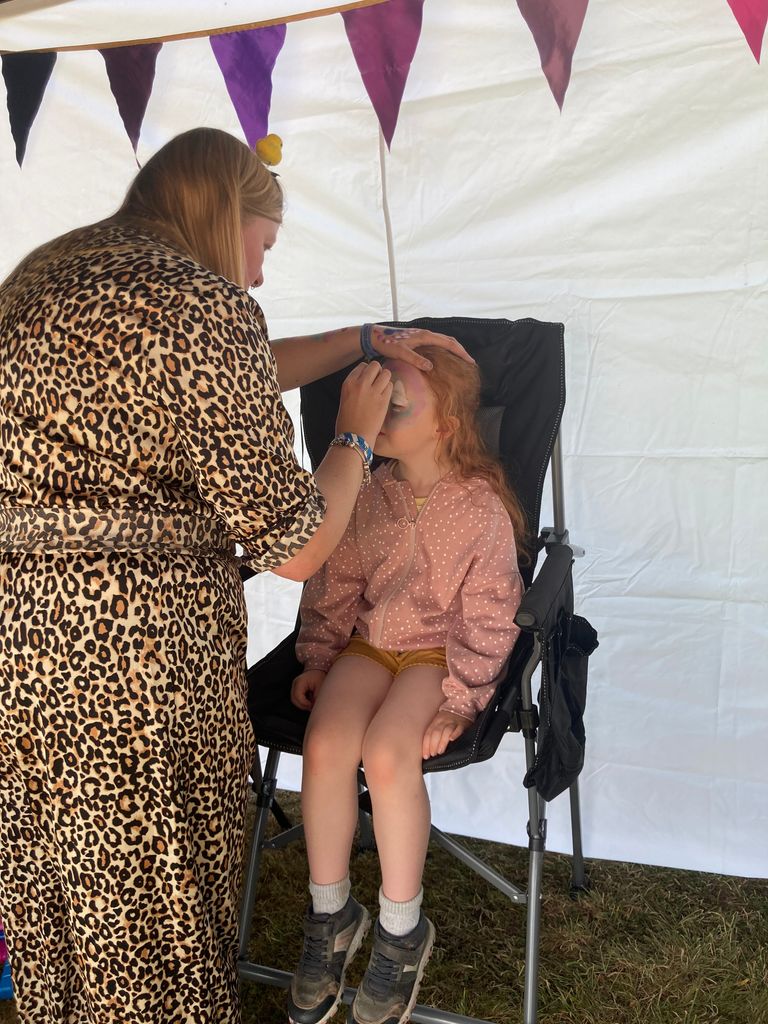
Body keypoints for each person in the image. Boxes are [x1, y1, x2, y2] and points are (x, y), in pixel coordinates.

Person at [0, 126, 470, 1024]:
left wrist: (354, 341)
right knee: (153, 885)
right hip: (133, 653)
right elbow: (300, 544)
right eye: (263, 245)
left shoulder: (47, 273)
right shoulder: (200, 299)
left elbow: (211, 379)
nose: (256, 274)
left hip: (19, 634)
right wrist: (351, 436)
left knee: (58, 872)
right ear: (225, 215)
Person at [287, 346, 527, 1024]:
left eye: (397, 406)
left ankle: (401, 931)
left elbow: (491, 612)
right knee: (326, 745)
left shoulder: (480, 507)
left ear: (445, 423)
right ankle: (331, 914)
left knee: (389, 755)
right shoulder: (367, 490)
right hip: (368, 646)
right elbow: (336, 579)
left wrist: (462, 698)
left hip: (435, 657)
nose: (380, 415)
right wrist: (318, 656)